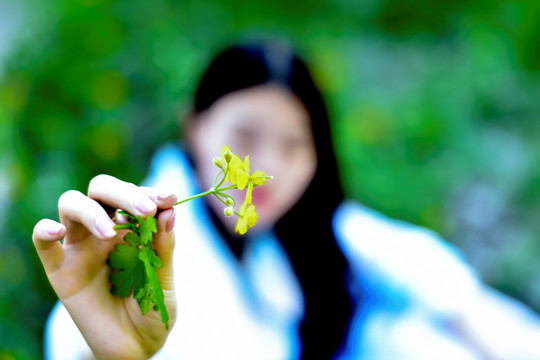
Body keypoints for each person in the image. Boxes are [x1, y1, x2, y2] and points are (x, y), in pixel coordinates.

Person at [33, 40, 540, 359]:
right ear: (194, 125)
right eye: (246, 138)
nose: (268, 169)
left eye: (294, 144)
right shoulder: (154, 243)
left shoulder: (298, 229)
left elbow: (424, 273)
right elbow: (93, 333)